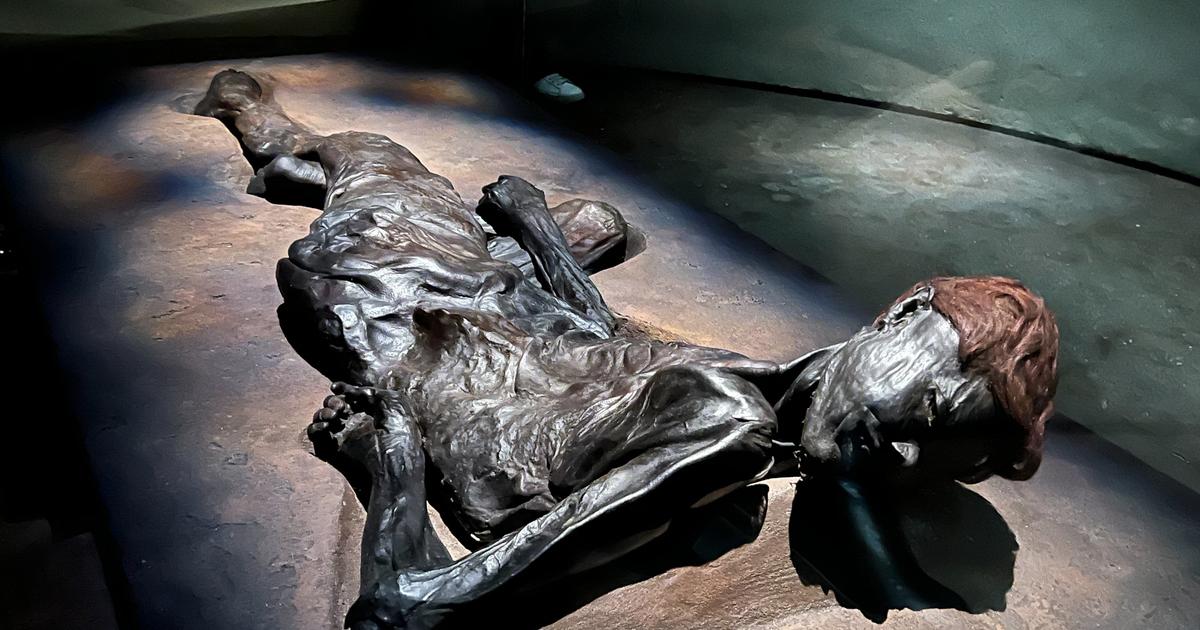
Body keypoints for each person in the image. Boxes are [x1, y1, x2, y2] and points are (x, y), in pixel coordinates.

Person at [195, 69, 1059, 630]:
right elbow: (600, 349)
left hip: (402, 295)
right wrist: (535, 227)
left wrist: (387, 454)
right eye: (929, 412)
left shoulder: (732, 433)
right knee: (592, 224)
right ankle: (319, 175)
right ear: (903, 316)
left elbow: (405, 608)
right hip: (487, 308)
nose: (903, 455)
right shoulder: (745, 402)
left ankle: (258, 124)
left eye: (927, 461)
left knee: (378, 155)